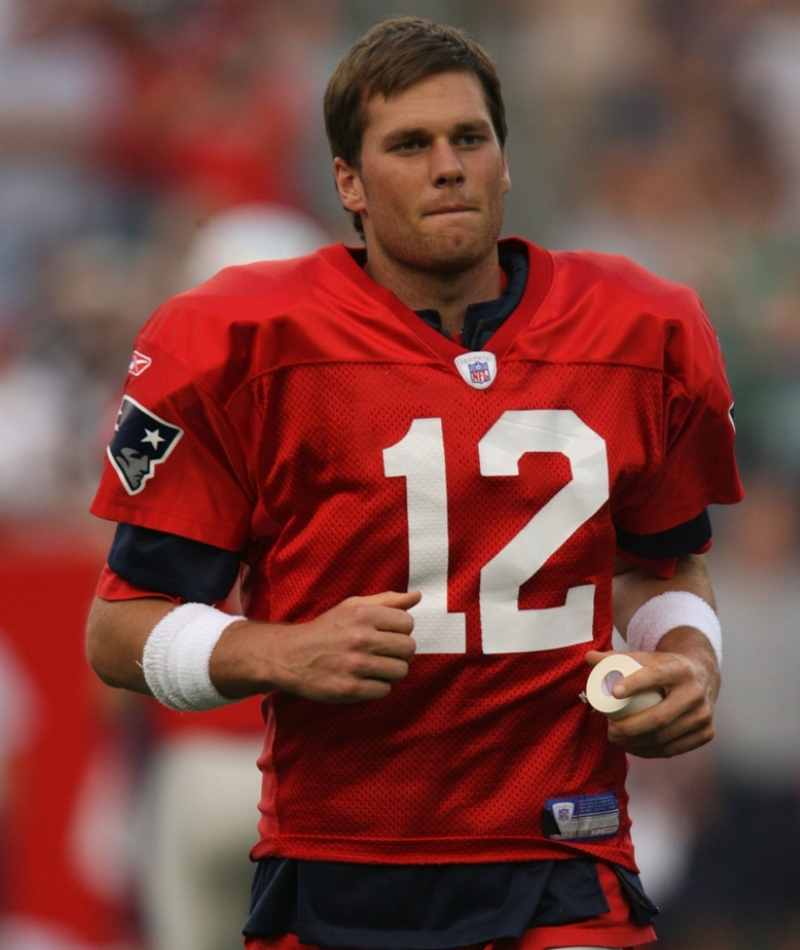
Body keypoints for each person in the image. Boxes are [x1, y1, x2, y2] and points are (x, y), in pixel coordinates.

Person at [85, 16, 744, 950]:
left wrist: (691, 663)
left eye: (469, 139)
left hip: (564, 856)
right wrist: (280, 651)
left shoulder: (641, 330)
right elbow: (119, 631)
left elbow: (662, 570)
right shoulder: (246, 342)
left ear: (505, 161)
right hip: (338, 862)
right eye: (410, 144)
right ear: (347, 182)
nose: (449, 166)